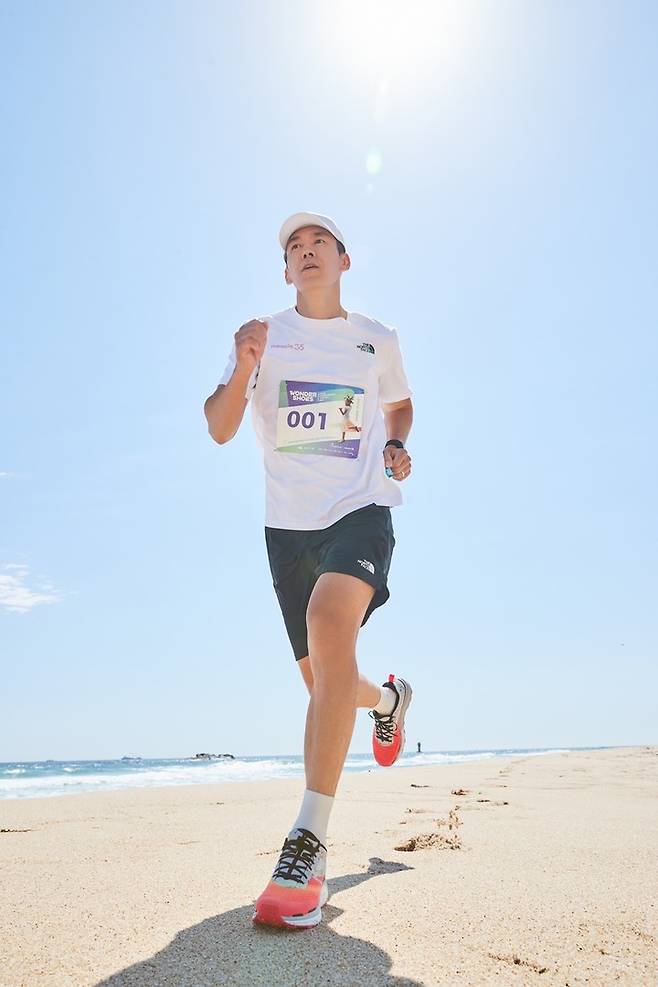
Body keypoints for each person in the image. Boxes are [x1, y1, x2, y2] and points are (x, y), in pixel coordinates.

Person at [203, 211, 414, 930]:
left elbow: (400, 404)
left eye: (318, 240)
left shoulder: (375, 338)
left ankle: (307, 844)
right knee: (326, 678)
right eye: (294, 247)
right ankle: (385, 703)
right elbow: (220, 425)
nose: (306, 250)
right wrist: (241, 363)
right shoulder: (263, 334)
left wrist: (396, 447)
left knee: (331, 625)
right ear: (285, 272)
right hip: (287, 533)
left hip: (359, 512)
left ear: (344, 259)